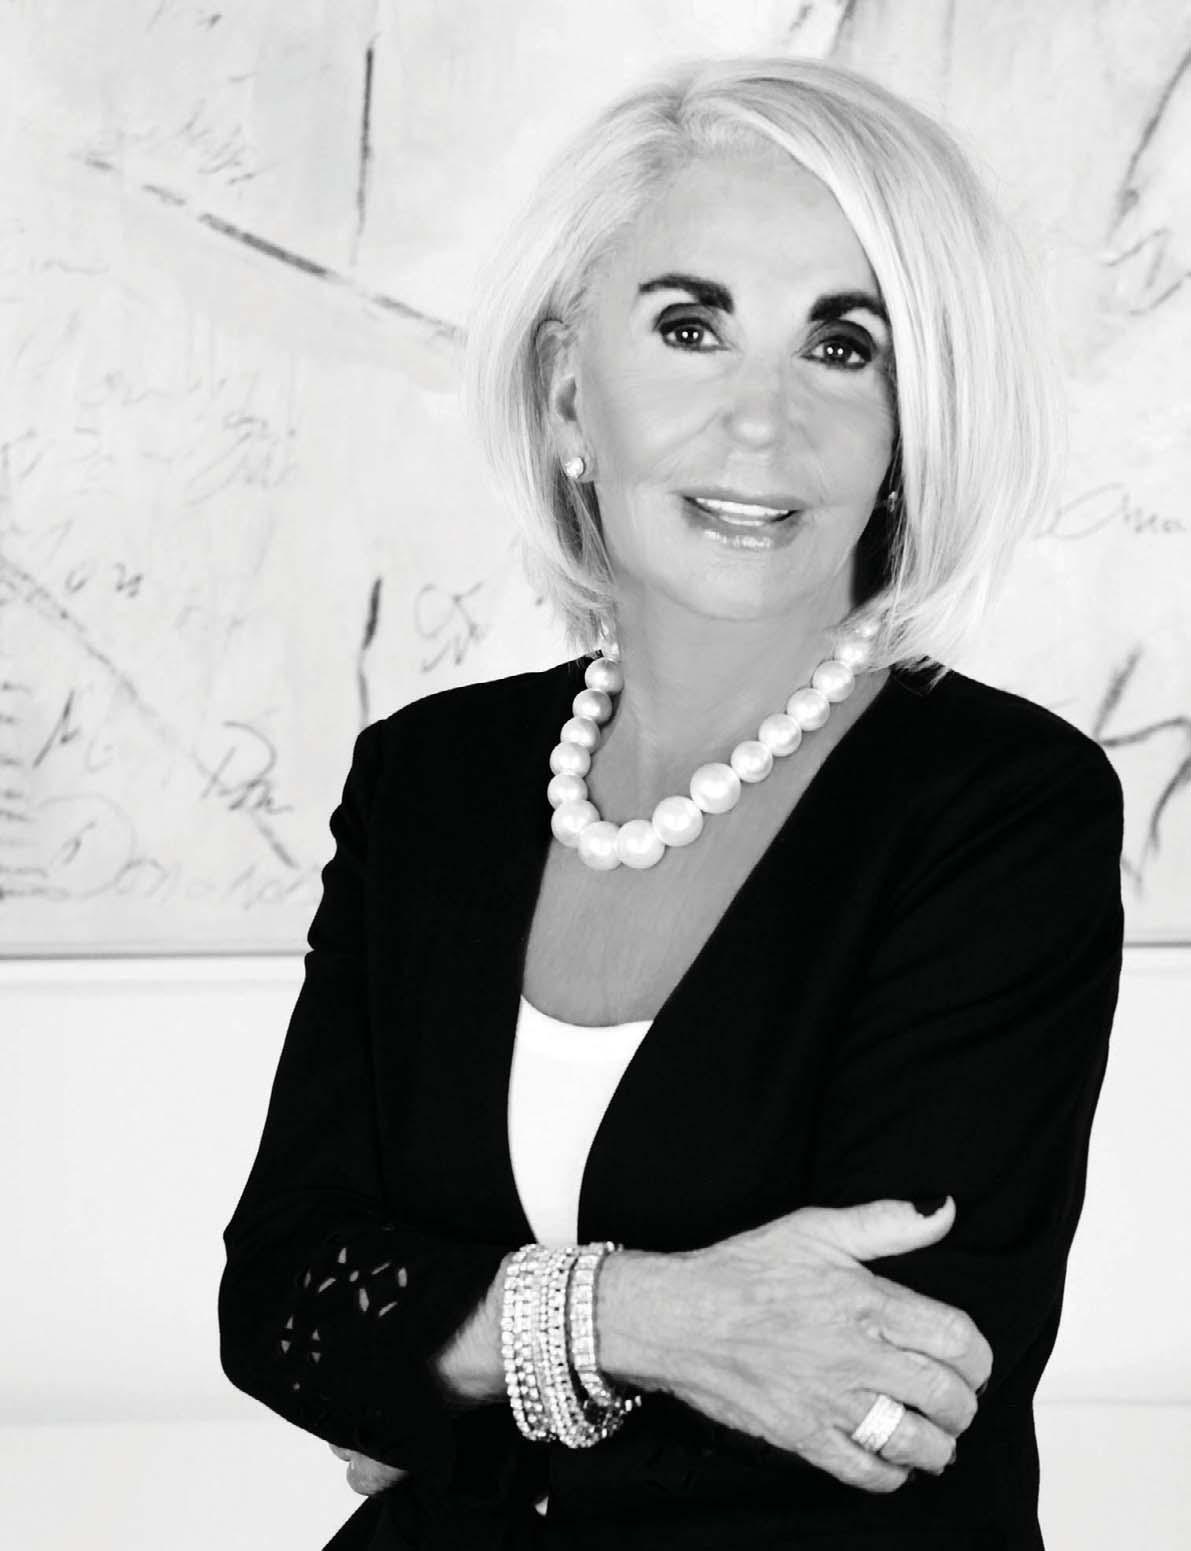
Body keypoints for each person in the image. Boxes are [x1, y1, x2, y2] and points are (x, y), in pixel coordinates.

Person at [218, 55, 1125, 1550]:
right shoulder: (429, 782)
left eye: (843, 346)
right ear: (569, 388)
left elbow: (890, 1401)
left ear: (915, 420)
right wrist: (653, 1320)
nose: (762, 424)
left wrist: (454, 1374)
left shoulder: (1005, 809)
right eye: (692, 329)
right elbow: (281, 1305)